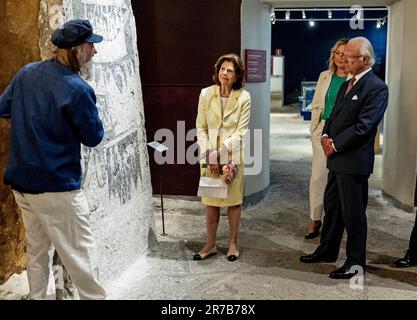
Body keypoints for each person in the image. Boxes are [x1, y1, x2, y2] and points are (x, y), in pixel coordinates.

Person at [0, 19, 107, 299]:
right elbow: (94, 137)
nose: (94, 52)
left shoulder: (26, 73)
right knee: (81, 257)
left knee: (36, 252)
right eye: (90, 46)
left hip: (23, 184)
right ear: (77, 50)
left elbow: (4, 107)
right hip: (57, 188)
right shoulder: (77, 89)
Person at [300, 37, 389, 279]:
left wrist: (335, 144)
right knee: (332, 208)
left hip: (354, 162)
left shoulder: (376, 87)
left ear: (365, 60)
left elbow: (364, 126)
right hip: (337, 159)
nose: (345, 60)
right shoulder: (345, 84)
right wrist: (326, 135)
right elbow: (333, 116)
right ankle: (327, 250)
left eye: (350, 56)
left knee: (353, 215)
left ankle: (355, 262)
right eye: (344, 55)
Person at [194, 53, 251, 262]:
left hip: (232, 158)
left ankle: (233, 243)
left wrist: (221, 152)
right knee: (211, 201)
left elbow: (241, 131)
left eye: (230, 70)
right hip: (209, 155)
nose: (225, 74)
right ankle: (210, 245)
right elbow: (200, 126)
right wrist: (209, 153)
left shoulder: (244, 97)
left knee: (233, 202)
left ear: (237, 76)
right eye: (222, 69)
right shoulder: (206, 94)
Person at [305, 38, 349, 239]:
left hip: (344, 132)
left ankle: (338, 221)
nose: (341, 56)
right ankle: (315, 219)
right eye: (338, 52)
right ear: (333, 55)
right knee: (318, 177)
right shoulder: (325, 76)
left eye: (345, 53)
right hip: (322, 130)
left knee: (340, 179)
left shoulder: (355, 78)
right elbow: (316, 105)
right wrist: (314, 129)